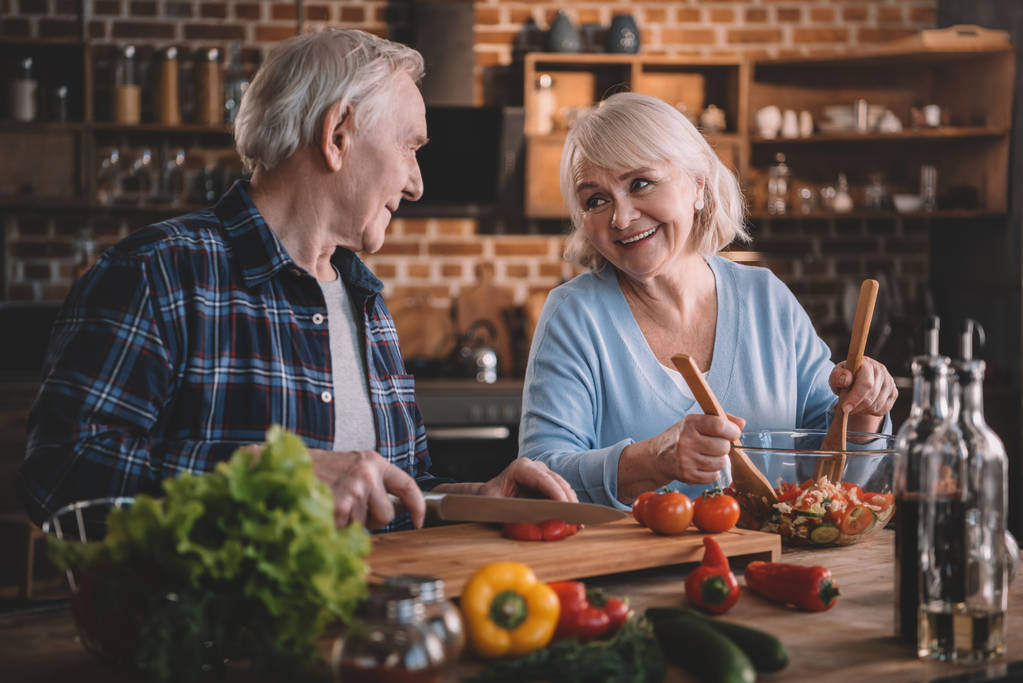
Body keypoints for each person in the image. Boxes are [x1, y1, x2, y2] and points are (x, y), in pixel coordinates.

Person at [18, 29, 575, 532]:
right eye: (409, 147)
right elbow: (60, 475)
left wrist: (476, 496)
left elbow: (396, 490)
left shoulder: (366, 303)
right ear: (337, 135)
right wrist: (267, 476)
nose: (416, 184)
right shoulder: (157, 272)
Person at [518, 92, 897, 510]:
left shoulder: (765, 299)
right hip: (632, 574)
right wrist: (651, 462)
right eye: (596, 200)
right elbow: (540, 479)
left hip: (772, 568)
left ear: (697, 184)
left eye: (640, 184)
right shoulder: (573, 316)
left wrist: (863, 410)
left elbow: (828, 479)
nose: (620, 219)